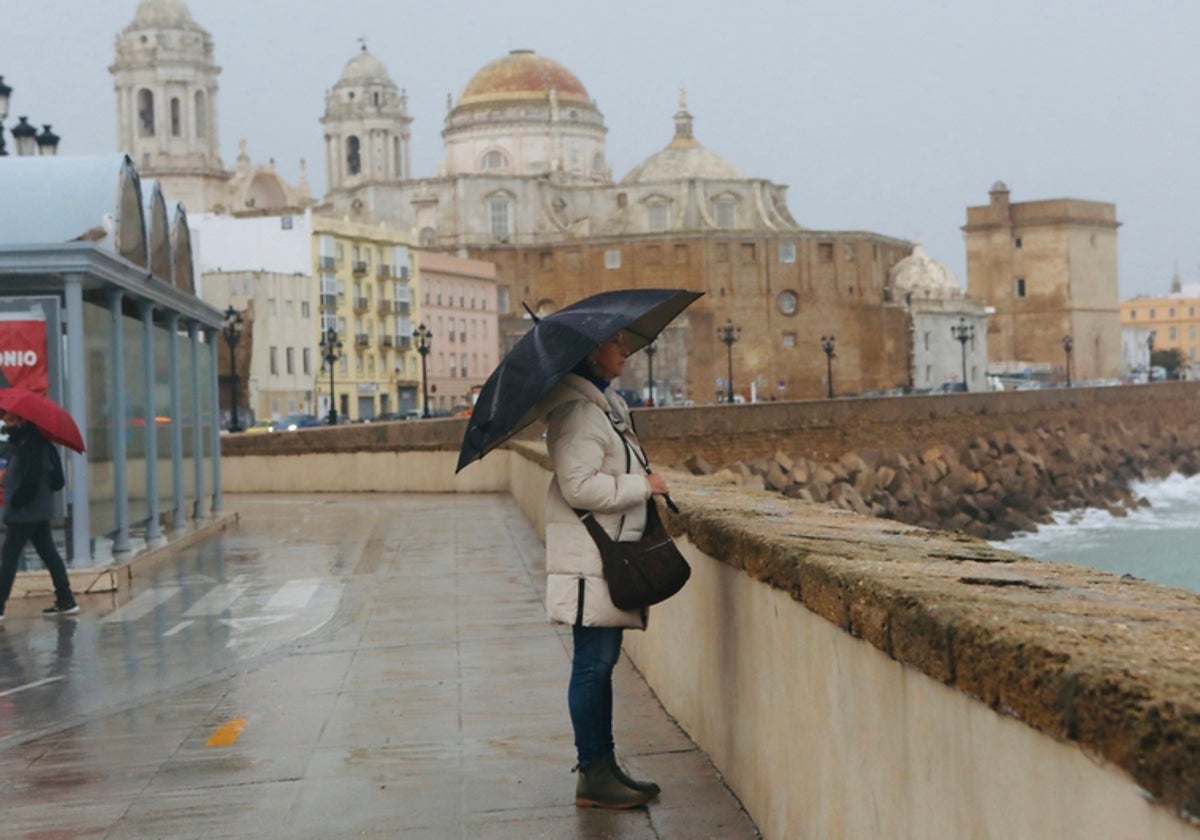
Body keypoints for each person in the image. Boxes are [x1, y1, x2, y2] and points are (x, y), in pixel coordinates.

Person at [537, 331, 671, 809]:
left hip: (603, 559)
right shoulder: (578, 412)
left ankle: (603, 767)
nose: (626, 350)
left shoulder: (600, 407)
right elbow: (579, 488)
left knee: (600, 664)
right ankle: (594, 772)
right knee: (592, 667)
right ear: (593, 351)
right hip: (592, 561)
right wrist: (642, 485)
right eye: (617, 343)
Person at [0, 411, 77, 619]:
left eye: (9, 420)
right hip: (37, 510)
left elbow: (31, 479)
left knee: (8, 557)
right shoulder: (35, 443)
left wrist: (17, 501)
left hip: (25, 512)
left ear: (22, 419)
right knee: (48, 553)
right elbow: (56, 480)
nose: (5, 424)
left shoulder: (30, 445)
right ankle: (66, 599)